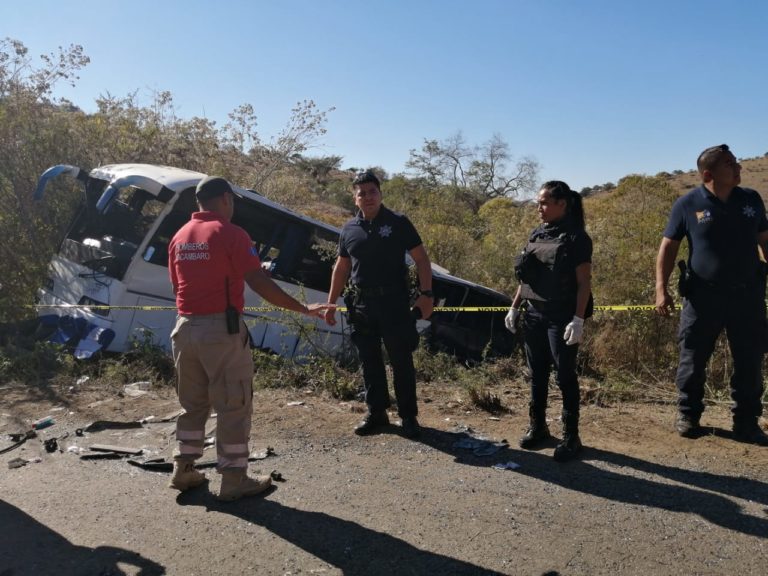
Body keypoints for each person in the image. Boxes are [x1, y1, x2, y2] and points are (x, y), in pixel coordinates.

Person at [167, 176, 333, 500]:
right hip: (221, 332)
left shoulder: (179, 237)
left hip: (184, 329)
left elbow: (177, 288)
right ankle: (233, 479)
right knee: (234, 405)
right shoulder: (231, 234)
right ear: (226, 199)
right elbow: (258, 281)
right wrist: (302, 308)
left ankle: (183, 469)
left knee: (192, 405)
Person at [655, 144, 768, 446]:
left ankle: (747, 423)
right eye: (730, 164)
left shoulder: (752, 200)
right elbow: (668, 247)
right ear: (709, 174)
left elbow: (765, 241)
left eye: (737, 163)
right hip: (703, 297)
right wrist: (661, 289)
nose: (738, 168)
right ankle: (688, 415)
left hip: (748, 296)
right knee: (692, 358)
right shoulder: (687, 203)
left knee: (750, 361)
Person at [324, 170, 434, 439]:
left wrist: (427, 293)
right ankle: (377, 412)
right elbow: (342, 267)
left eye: (372, 191)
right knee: (369, 360)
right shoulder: (349, 229)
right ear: (355, 198)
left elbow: (421, 259)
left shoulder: (398, 222)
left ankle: (409, 417)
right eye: (362, 193)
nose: (368, 197)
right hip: (361, 305)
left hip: (394, 303)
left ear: (380, 194)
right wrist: (330, 302)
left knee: (401, 361)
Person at [505, 181, 593, 462]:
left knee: (565, 376)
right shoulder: (537, 234)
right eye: (538, 202)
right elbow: (527, 277)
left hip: (561, 317)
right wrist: (514, 307)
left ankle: (571, 436)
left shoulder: (577, 238)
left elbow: (584, 283)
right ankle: (538, 428)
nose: (538, 208)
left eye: (543, 203)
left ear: (562, 204)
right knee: (537, 373)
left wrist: (578, 319)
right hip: (534, 315)